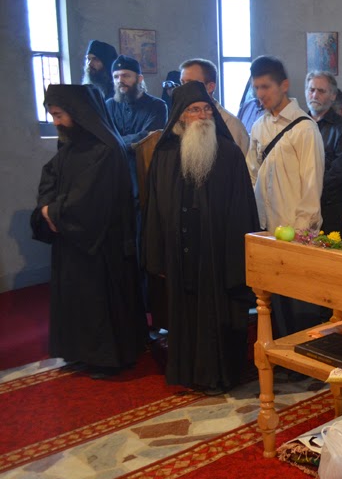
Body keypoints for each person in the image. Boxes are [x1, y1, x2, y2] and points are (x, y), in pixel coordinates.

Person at [143, 81, 260, 391]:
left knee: (215, 314)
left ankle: (218, 375)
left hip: (216, 252)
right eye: (195, 110)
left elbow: (243, 210)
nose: (203, 115)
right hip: (179, 250)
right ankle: (188, 372)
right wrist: (156, 254)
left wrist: (238, 258)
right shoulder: (165, 154)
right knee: (185, 314)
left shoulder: (229, 154)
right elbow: (153, 207)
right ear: (180, 116)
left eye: (207, 108)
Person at [32, 84, 146, 375]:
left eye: (59, 115)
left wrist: (54, 212)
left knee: (99, 301)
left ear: (77, 113)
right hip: (72, 239)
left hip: (100, 243)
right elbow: (50, 177)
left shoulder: (105, 149)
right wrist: (46, 207)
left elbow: (90, 199)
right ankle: (80, 351)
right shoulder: (71, 144)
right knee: (77, 298)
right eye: (52, 115)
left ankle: (107, 358)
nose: (55, 122)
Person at [246, 56, 325, 335]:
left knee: (300, 306)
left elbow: (312, 186)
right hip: (267, 228)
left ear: (284, 85)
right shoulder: (259, 125)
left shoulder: (305, 128)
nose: (260, 94)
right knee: (273, 304)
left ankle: (303, 353)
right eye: (256, 87)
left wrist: (301, 235)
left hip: (295, 232)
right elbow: (252, 173)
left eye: (266, 87)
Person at [105, 55, 169, 199]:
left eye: (126, 76)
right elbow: (105, 138)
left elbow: (148, 137)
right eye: (116, 77)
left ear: (139, 79)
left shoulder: (157, 106)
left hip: (144, 169)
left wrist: (115, 142)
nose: (120, 80)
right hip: (114, 169)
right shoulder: (109, 105)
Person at [305, 70, 342, 233]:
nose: (315, 95)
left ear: (333, 96)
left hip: (329, 209)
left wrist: (308, 191)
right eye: (311, 90)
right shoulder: (297, 125)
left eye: (321, 91)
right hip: (298, 205)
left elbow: (338, 174)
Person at [180, 58, 250, 156]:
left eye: (190, 83)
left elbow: (239, 162)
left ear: (210, 87)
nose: (183, 89)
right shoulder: (180, 119)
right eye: (182, 83)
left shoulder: (231, 125)